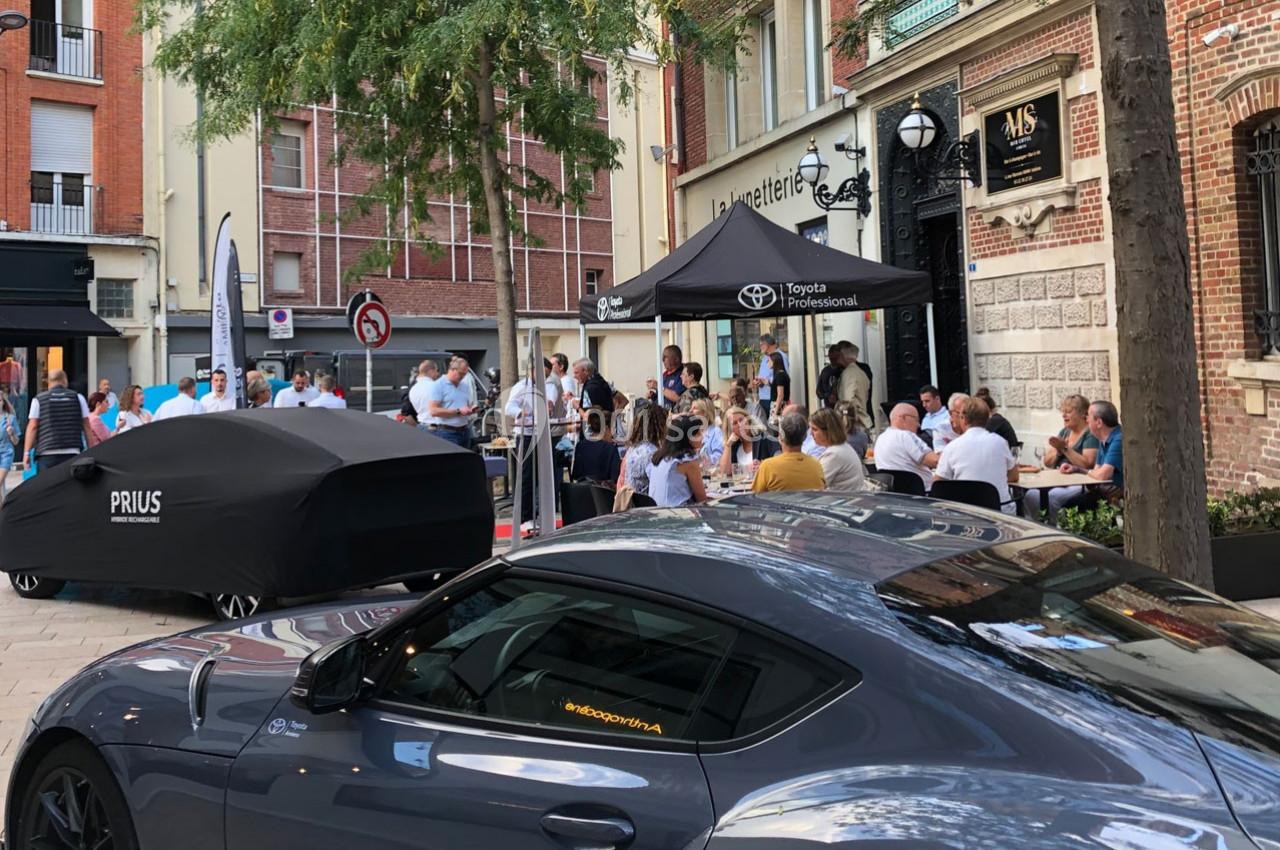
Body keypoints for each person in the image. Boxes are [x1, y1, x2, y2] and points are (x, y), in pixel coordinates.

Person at [504, 358, 564, 529]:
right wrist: (520, 412)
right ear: (533, 371)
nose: (545, 377)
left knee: (542, 475)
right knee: (527, 476)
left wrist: (549, 405)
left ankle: (540, 513)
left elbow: (550, 402)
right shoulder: (521, 387)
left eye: (547, 375)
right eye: (543, 374)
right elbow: (509, 407)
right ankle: (525, 517)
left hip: (542, 433)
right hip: (526, 434)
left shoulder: (546, 387)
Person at [935, 396, 1019, 513]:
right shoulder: (1001, 443)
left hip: (966, 512)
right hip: (1000, 511)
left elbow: (938, 483)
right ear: (987, 419)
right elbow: (1014, 476)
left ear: (963, 419)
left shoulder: (952, 447)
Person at [1023, 394, 1099, 520]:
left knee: (1052, 498)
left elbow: (1087, 464)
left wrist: (1065, 449)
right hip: (1058, 480)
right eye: (1063, 412)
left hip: (1079, 483)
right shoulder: (1065, 432)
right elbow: (1047, 461)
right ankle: (1039, 525)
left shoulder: (1090, 434)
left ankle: (1054, 528)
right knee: (1030, 494)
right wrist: (1058, 452)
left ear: (1082, 414)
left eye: (1068, 412)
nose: (1064, 415)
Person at [23, 370, 95, 473]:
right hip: (72, 451)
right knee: (69, 482)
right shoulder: (78, 398)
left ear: (49, 382)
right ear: (65, 380)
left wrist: (26, 453)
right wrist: (91, 450)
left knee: (48, 483)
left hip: (46, 453)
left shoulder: (38, 400)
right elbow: (86, 425)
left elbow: (33, 427)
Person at [1062, 400, 1123, 502]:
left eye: (1088, 416)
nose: (1086, 420)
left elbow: (1102, 475)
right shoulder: (1103, 438)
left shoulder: (1119, 439)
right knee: (1069, 503)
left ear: (1099, 423)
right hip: (1105, 493)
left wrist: (1080, 470)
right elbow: (1096, 471)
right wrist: (1077, 469)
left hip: (1117, 498)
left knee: (1069, 504)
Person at [872, 403, 940, 492]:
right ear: (903, 417)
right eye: (916, 419)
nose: (919, 425)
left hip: (894, 493)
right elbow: (935, 461)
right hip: (923, 493)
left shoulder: (880, 438)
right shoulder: (906, 435)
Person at [752, 412, 825, 493]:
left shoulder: (767, 467)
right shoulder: (816, 466)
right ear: (804, 437)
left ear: (780, 436)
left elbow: (754, 496)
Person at [648, 414, 708, 507]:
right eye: (698, 434)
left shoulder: (659, 457)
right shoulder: (687, 461)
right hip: (678, 512)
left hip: (655, 510)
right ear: (687, 438)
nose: (702, 437)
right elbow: (702, 499)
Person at [809, 408, 867, 491]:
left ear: (828, 431)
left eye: (815, 429)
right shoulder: (843, 447)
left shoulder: (833, 454)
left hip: (843, 498)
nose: (811, 433)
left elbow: (814, 486)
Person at [427, 356, 478, 449]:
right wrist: (458, 411)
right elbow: (433, 411)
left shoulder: (464, 385)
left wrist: (471, 409)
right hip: (447, 432)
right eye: (460, 374)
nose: (462, 377)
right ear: (452, 369)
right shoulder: (438, 385)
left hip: (465, 430)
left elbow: (465, 405)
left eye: (465, 374)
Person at [618, 400, 667, 498]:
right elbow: (662, 486)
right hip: (650, 503)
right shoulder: (653, 454)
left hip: (632, 502)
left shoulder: (632, 450)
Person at [718, 406, 780, 476]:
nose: (740, 424)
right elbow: (725, 472)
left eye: (741, 420)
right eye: (734, 423)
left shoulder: (764, 438)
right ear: (730, 429)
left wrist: (764, 466)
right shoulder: (733, 447)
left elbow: (781, 460)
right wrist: (728, 445)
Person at [836, 341, 872, 432]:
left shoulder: (848, 374)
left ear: (843, 356)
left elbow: (848, 401)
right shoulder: (861, 372)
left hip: (854, 423)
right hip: (862, 421)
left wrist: (844, 417)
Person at [752, 334, 789, 422]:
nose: (760, 347)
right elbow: (764, 376)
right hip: (763, 397)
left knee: (773, 426)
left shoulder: (780, 356)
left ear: (767, 345)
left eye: (761, 345)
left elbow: (784, 377)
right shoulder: (765, 357)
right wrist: (759, 382)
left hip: (774, 399)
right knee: (763, 425)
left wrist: (767, 381)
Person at [646, 345, 685, 410]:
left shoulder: (683, 375)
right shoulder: (665, 375)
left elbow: (677, 398)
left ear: (676, 359)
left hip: (673, 413)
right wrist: (653, 396)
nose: (663, 360)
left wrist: (658, 386)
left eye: (665, 357)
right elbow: (663, 395)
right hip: (659, 412)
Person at [690, 397, 724, 467]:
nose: (690, 411)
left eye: (694, 408)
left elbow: (719, 457)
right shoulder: (692, 432)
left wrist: (700, 459)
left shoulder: (716, 432)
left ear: (704, 413)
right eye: (691, 408)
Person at [407, 360, 441, 428]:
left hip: (422, 426)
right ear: (431, 371)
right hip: (438, 427)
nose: (437, 374)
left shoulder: (413, 389)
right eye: (436, 370)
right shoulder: (436, 386)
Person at [0, 392, 18, 501]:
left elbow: (16, 442)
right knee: (1, 488)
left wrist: (11, 434)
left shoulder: (10, 419)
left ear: (3, 402)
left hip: (6, 454)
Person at [816, 344, 843, 409]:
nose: (832, 360)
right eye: (831, 358)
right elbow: (818, 392)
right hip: (829, 409)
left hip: (843, 407)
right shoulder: (825, 371)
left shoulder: (844, 370)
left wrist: (837, 396)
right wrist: (828, 395)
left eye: (835, 358)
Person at [768, 351, 791, 416]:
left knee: (776, 422)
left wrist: (775, 412)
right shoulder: (782, 374)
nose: (768, 363)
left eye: (769, 361)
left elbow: (780, 395)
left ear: (774, 361)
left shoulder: (779, 375)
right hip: (782, 405)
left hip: (779, 406)